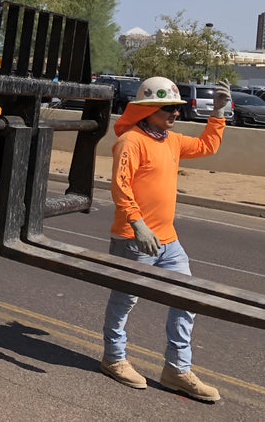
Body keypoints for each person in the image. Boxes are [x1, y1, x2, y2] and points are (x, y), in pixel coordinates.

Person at [99, 76, 231, 402]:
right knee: (124, 301)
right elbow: (120, 185)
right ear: (148, 109)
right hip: (134, 240)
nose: (175, 113)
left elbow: (206, 146)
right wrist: (137, 224)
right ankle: (113, 358)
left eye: (176, 108)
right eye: (168, 108)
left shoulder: (170, 140)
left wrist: (218, 112)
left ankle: (176, 370)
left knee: (186, 299)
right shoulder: (131, 141)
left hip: (168, 242)